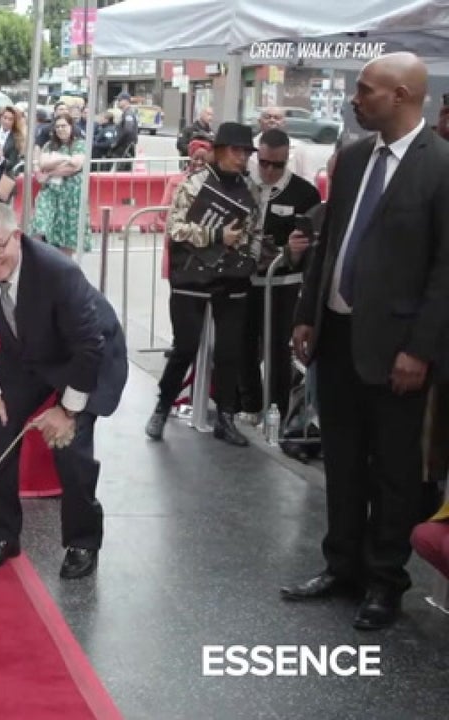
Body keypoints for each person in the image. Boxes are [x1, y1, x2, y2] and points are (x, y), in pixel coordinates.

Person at [282, 52, 449, 631]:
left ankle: (384, 581)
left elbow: (445, 271)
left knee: (396, 472)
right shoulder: (352, 158)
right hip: (338, 333)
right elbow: (328, 247)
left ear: (402, 95)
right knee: (344, 461)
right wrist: (308, 315)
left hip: (399, 348)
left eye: (366, 90)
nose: (354, 99)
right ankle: (341, 565)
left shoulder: (441, 166)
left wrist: (421, 350)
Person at [0, 202, 127, 576]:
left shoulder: (56, 270)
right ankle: (1, 535)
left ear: (16, 236)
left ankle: (83, 540)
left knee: (69, 446)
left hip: (84, 357)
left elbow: (89, 345)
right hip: (27, 355)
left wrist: (67, 411)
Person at [145, 122, 262, 446]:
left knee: (229, 352)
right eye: (237, 151)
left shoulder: (251, 189)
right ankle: (161, 406)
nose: (242, 158)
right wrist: (215, 235)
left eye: (246, 152)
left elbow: (256, 231)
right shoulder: (193, 184)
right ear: (220, 151)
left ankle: (225, 416)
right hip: (192, 277)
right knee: (185, 347)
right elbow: (175, 228)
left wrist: (250, 257)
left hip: (233, 279)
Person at [237, 129, 321, 419]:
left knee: (276, 348)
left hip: (283, 283)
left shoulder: (305, 193)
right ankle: (249, 404)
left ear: (288, 160)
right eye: (264, 163)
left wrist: (294, 252)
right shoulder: (242, 184)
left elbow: (312, 248)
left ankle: (277, 409)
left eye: (278, 165)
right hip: (245, 279)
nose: (269, 171)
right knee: (244, 342)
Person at [30, 115, 87, 255]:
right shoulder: (49, 145)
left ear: (71, 127)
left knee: (67, 234)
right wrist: (66, 159)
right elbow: (43, 163)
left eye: (64, 126)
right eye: (57, 127)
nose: (60, 129)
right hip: (50, 191)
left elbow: (75, 166)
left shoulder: (79, 144)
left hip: (71, 193)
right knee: (39, 223)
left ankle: (64, 268)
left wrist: (53, 165)